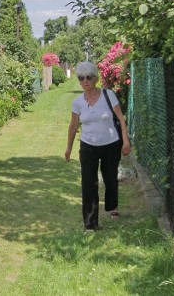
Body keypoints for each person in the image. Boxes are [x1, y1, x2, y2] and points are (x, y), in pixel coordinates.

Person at [64, 61, 131, 231]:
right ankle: (90, 224)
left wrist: (126, 141)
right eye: (81, 78)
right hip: (88, 147)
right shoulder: (77, 102)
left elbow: (121, 119)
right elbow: (73, 126)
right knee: (88, 183)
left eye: (88, 77)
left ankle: (112, 206)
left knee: (110, 178)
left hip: (111, 144)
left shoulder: (108, 95)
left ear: (95, 78)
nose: (84, 81)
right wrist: (69, 148)